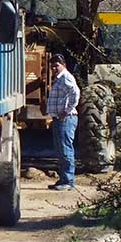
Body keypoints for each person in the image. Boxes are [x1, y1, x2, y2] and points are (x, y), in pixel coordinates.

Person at [45, 53, 80, 191]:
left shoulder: (66, 77)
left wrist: (67, 110)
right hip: (59, 118)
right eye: (52, 66)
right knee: (61, 150)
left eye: (56, 66)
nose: (54, 68)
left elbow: (75, 93)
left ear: (63, 65)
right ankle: (63, 179)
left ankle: (68, 181)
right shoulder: (59, 78)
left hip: (66, 118)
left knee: (66, 150)